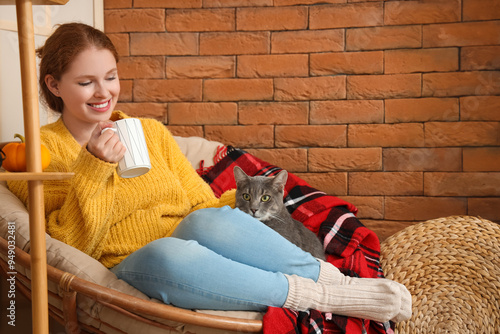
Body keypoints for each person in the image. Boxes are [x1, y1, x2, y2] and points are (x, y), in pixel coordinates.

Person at [8, 23, 411, 323]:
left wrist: (244, 207)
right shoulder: (42, 154)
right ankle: (320, 297)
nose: (104, 93)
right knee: (170, 252)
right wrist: (94, 167)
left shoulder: (147, 131)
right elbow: (70, 247)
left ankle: (337, 281)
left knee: (205, 220)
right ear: (54, 85)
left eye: (110, 77)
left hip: (199, 243)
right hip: (136, 261)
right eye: (86, 82)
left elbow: (201, 206)